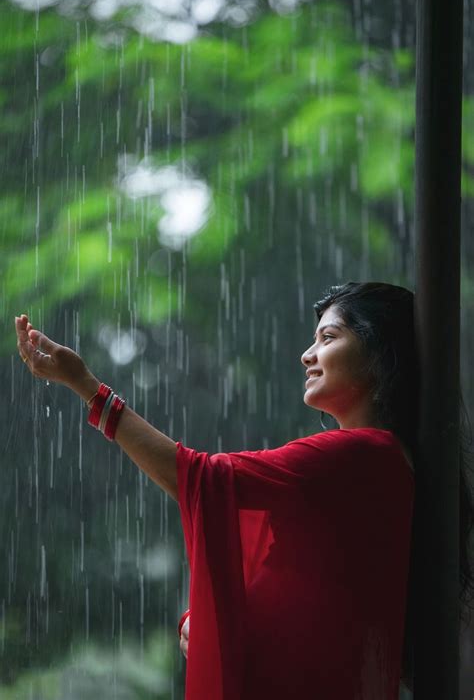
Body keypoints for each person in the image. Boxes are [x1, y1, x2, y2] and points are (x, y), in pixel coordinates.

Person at [14, 281, 474, 699]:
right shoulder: (374, 465)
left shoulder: (365, 455)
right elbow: (307, 596)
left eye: (328, 338)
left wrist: (87, 387)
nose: (307, 354)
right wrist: (216, 625)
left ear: (380, 352)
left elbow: (198, 476)